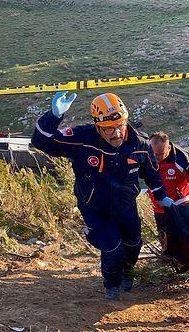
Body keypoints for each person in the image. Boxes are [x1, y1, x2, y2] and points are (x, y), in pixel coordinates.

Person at [31, 91, 174, 300]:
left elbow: (152, 174)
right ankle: (111, 284)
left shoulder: (140, 144)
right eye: (108, 129)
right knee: (113, 248)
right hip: (94, 208)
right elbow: (41, 142)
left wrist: (162, 196)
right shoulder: (83, 139)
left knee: (133, 245)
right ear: (98, 126)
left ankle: (128, 273)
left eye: (120, 126)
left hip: (125, 206)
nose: (116, 134)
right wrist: (54, 116)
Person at [146, 132, 189, 247]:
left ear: (169, 148)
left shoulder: (180, 159)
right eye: (153, 154)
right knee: (163, 234)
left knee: (184, 235)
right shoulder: (146, 154)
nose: (156, 158)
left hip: (180, 204)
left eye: (161, 154)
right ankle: (167, 254)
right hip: (159, 206)